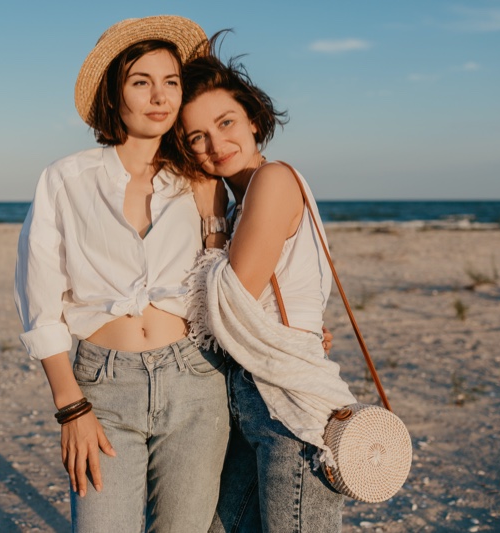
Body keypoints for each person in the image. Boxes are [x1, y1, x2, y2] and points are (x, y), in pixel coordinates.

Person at [14, 16, 233, 532]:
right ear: (116, 95)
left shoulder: (199, 179)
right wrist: (70, 407)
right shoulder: (65, 180)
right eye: (141, 82)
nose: (159, 96)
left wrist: (214, 218)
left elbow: (222, 283)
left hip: (196, 382)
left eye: (171, 82)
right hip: (103, 387)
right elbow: (40, 298)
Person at [176, 37, 358, 532]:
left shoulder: (273, 179)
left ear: (253, 119)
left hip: (290, 406)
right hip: (254, 397)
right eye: (196, 137)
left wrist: (211, 224)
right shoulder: (242, 202)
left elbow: (230, 298)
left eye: (225, 122)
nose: (215, 144)